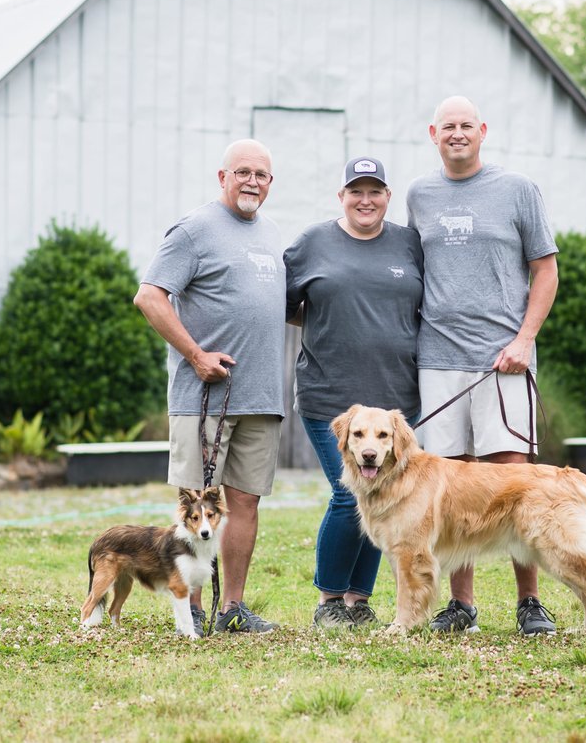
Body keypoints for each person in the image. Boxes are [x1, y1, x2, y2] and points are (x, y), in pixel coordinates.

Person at [405, 95, 560, 636]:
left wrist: (524, 340)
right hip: (439, 357)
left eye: (466, 125)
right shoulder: (419, 195)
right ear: (433, 133)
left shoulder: (518, 190)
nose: (457, 133)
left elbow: (545, 271)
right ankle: (461, 606)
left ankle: (530, 603)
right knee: (446, 488)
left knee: (515, 482)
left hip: (504, 361)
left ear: (483, 131)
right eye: (447, 126)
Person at [134, 138, 285, 634]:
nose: (252, 182)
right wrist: (196, 355)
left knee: (245, 502)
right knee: (197, 499)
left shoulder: (271, 236)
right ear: (222, 178)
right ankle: (191, 607)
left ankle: (232, 610)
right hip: (205, 397)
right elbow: (150, 297)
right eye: (242, 172)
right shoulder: (193, 231)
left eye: (261, 175)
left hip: (261, 398)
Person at [283, 156, 424, 629]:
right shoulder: (311, 244)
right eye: (356, 191)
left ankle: (358, 602)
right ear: (341, 196)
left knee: (382, 495)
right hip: (332, 397)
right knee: (350, 494)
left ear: (387, 196)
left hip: (394, 403)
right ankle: (328, 602)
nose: (366, 200)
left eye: (375, 191)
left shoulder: (409, 243)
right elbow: (286, 306)